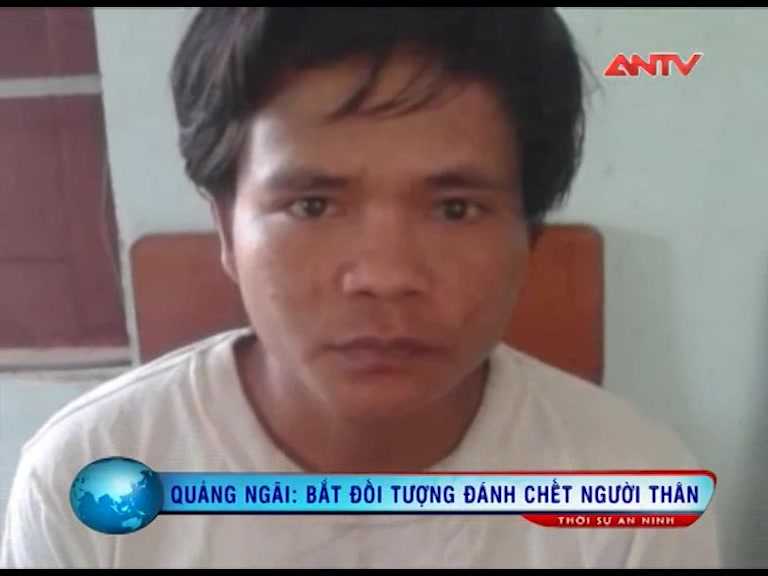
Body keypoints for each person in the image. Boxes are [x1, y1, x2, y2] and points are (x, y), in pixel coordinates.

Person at [1, 7, 720, 568]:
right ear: (225, 227)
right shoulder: (89, 476)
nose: (385, 276)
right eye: (313, 206)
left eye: (455, 209)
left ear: (528, 234)